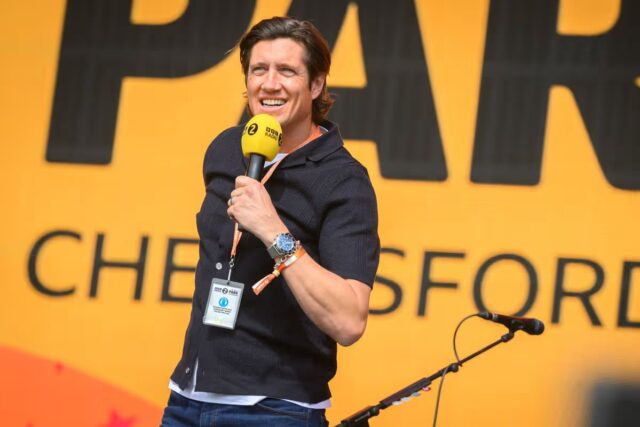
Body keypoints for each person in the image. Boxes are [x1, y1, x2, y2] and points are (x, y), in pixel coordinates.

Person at [161, 16, 380, 427]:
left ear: (316, 85)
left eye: (287, 71)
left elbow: (349, 321)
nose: (270, 84)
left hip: (275, 409)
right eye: (259, 69)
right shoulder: (227, 148)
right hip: (186, 402)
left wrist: (273, 231)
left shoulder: (344, 180)